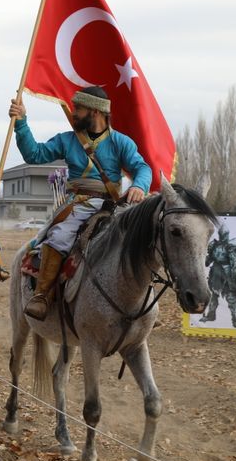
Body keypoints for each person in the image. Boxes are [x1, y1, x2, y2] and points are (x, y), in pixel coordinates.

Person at [8, 86, 151, 320]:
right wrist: (21, 122)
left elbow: (142, 168)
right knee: (59, 238)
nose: (74, 113)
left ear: (95, 112)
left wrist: (138, 186)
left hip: (113, 206)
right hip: (79, 205)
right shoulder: (67, 140)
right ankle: (42, 295)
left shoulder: (120, 142)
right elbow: (35, 155)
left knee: (139, 241)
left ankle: (140, 306)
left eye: (79, 109)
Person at [200, 225, 236, 328]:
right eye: (222, 234)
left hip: (228, 275)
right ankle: (211, 316)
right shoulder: (214, 245)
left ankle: (235, 319)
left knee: (231, 298)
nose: (224, 236)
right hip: (215, 273)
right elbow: (209, 259)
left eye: (225, 234)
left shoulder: (233, 246)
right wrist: (204, 261)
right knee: (213, 296)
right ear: (220, 234)